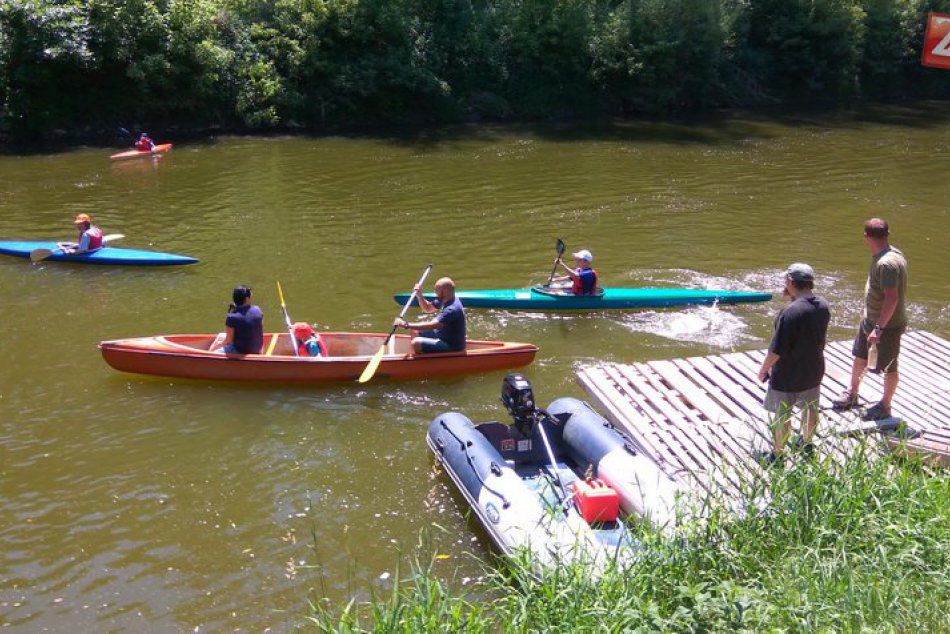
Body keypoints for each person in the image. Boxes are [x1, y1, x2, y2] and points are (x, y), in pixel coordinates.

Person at [833, 218, 908, 421]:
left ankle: (885, 405)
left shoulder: (886, 264)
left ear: (866, 237)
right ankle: (852, 393)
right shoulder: (891, 254)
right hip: (871, 320)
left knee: (890, 366)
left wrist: (879, 328)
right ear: (887, 234)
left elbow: (892, 299)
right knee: (860, 356)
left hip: (886, 326)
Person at [756, 263, 830, 463]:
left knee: (782, 415)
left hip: (788, 374)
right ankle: (807, 444)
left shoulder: (790, 312)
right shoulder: (823, 305)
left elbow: (776, 349)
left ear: (790, 281)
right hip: (814, 369)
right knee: (810, 409)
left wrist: (763, 370)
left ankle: (778, 455)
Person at [393, 277, 466, 353]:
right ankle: (421, 352)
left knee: (416, 342)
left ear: (445, 291)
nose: (435, 293)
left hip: (451, 346)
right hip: (442, 334)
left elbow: (432, 325)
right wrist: (419, 295)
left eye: (437, 290)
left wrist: (405, 325)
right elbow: (427, 308)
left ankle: (424, 355)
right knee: (415, 330)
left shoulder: (452, 309)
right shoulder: (446, 298)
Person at [223, 286, 264, 355]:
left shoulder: (232, 317)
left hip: (240, 351)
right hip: (257, 349)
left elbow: (228, 341)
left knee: (217, 348)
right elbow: (260, 330)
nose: (251, 297)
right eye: (250, 295)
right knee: (222, 336)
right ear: (247, 299)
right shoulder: (258, 310)